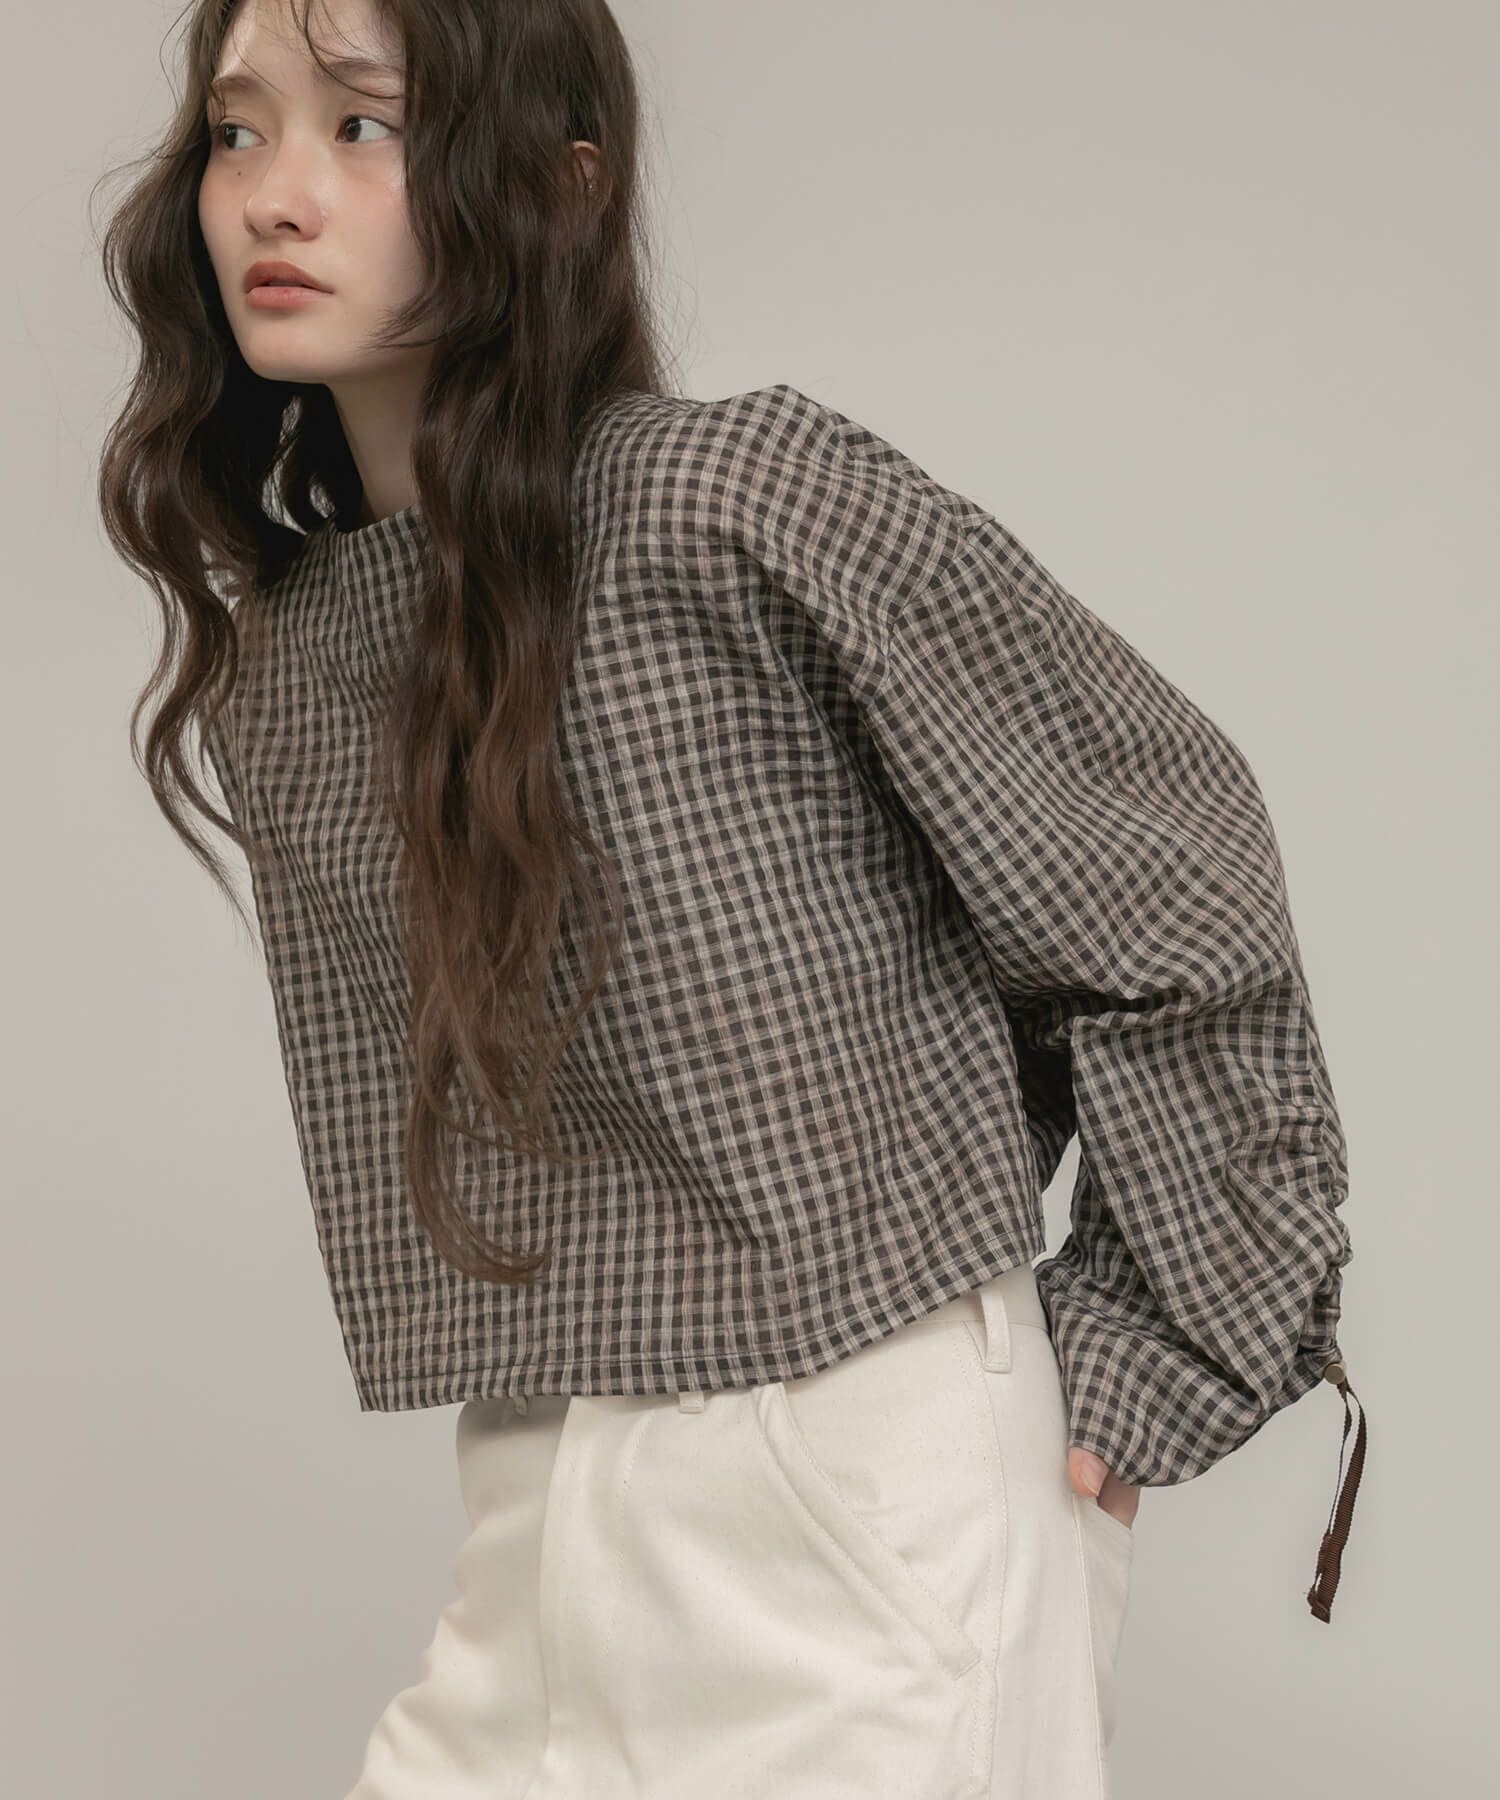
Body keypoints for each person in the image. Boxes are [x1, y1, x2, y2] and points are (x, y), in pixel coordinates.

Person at [97, 0, 1367, 1793]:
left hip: (855, 1479)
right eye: (238, 132)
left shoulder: (728, 504)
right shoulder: (296, 666)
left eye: (363, 126)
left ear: (560, 186)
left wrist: (1162, 1338)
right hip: (533, 1488)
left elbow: (1164, 869)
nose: (273, 196)